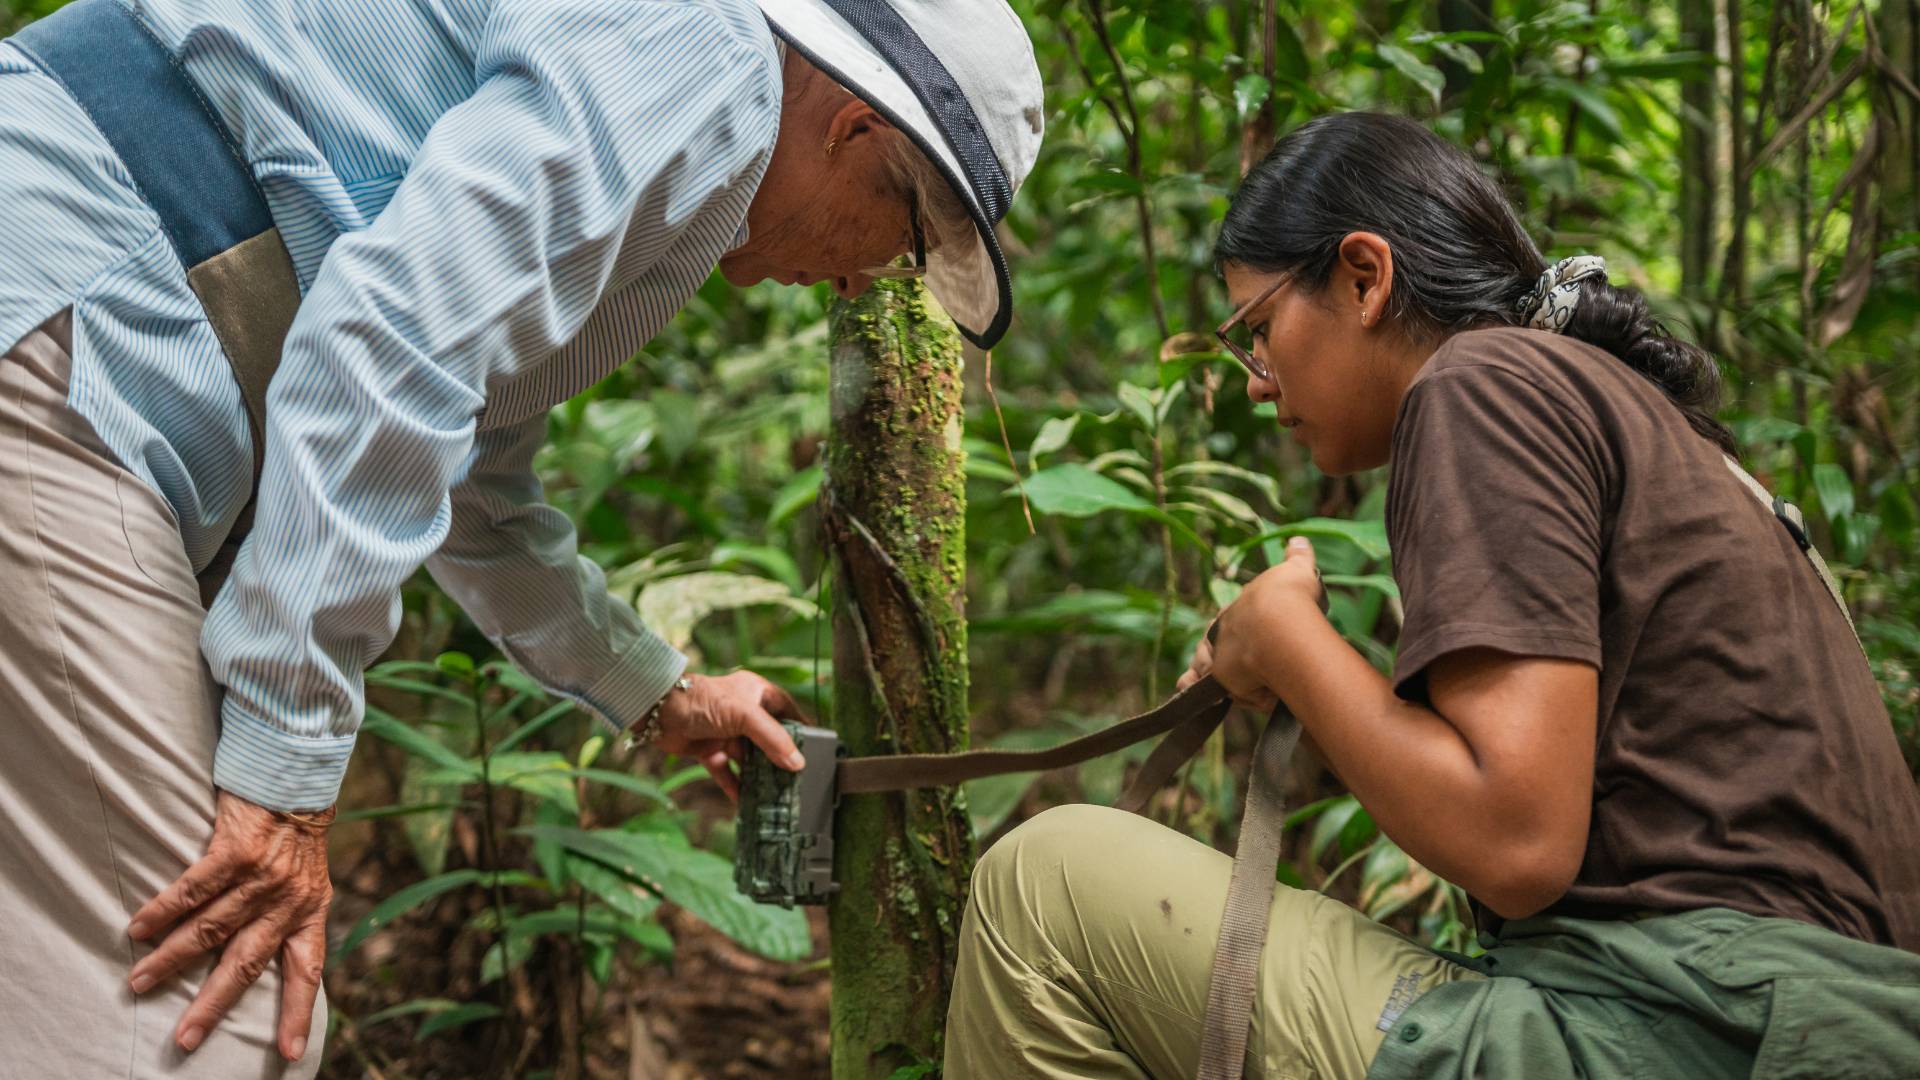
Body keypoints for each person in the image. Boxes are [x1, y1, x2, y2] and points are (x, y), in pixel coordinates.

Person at [0, 0, 1042, 1073]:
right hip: (69, 306)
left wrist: (656, 691)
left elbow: (466, 471)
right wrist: (284, 769)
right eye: (909, 242)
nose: (868, 279)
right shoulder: (710, 58)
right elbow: (395, 340)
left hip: (75, 320)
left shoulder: (676, 127)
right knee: (215, 1026)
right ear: (855, 130)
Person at [943, 111, 1920, 1079]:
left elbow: (1518, 839)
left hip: (1688, 1026)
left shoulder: (1483, 383)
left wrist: (1285, 638)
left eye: (1259, 330)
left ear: (1364, 278)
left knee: (1045, 887)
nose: (1257, 381)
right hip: (1787, 1024)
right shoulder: (1644, 424)